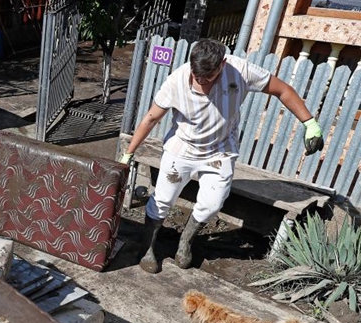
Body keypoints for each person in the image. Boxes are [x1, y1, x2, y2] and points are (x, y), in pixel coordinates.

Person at [121, 38, 324, 274]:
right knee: (163, 200)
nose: (202, 83)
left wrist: (309, 123)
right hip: (182, 147)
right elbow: (150, 118)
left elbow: (282, 89)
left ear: (222, 64)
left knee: (212, 204)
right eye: (197, 77)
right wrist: (128, 153)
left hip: (220, 149)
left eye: (208, 78)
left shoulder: (240, 71)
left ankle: (185, 241)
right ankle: (148, 246)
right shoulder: (176, 81)